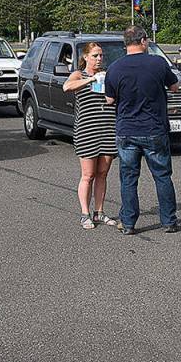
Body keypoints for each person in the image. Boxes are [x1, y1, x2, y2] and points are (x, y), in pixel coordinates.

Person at [104, 26, 179, 235]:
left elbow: (109, 99)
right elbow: (174, 87)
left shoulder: (115, 68)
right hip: (154, 128)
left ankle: (128, 223)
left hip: (127, 130)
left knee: (128, 178)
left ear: (125, 43)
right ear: (143, 41)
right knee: (162, 176)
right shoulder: (157, 63)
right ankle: (169, 221)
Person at [62, 43, 119, 230]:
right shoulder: (80, 75)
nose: (99, 59)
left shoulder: (107, 75)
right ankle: (84, 214)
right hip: (87, 130)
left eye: (101, 55)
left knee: (103, 173)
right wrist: (90, 80)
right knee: (88, 174)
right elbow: (67, 86)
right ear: (86, 57)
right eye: (95, 55)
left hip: (108, 129)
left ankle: (99, 212)